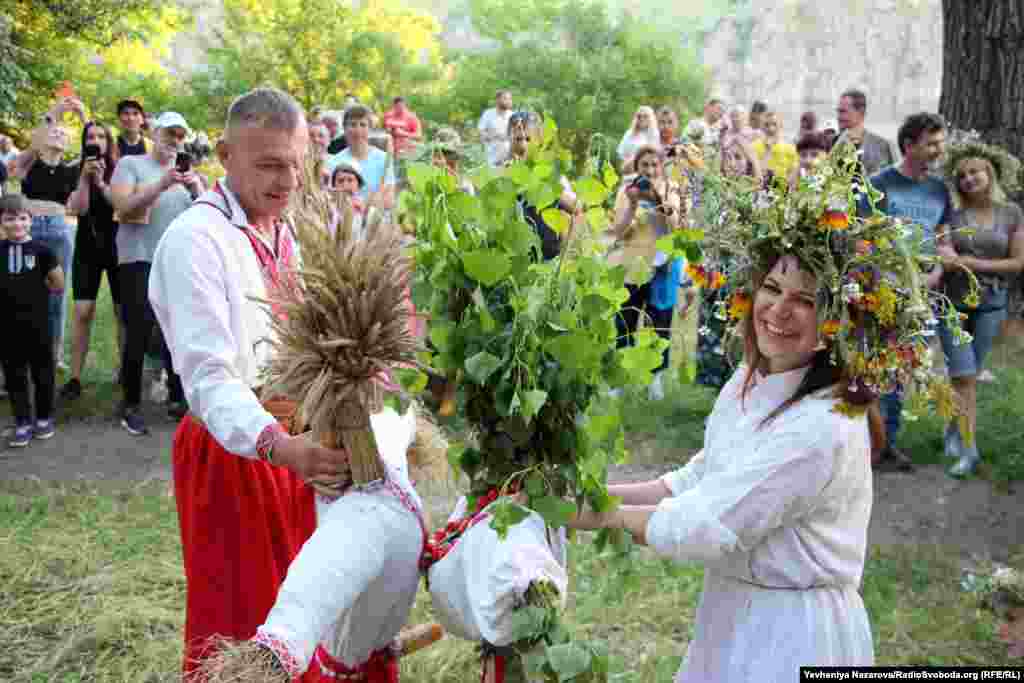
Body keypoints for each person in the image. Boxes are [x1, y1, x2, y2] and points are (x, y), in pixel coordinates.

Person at [566, 147, 969, 678]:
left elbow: (706, 524)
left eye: (805, 300)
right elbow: (702, 478)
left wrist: (577, 514)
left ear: (836, 319)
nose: (779, 310)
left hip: (791, 633)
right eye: (772, 288)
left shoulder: (821, 426)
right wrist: (584, 496)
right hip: (736, 611)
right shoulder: (753, 378)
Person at [149, 87, 350, 679]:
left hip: (292, 451)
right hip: (231, 456)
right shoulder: (195, 240)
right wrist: (282, 446)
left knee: (294, 611)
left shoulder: (287, 231)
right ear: (224, 153)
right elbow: (210, 378)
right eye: (268, 165)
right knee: (239, 626)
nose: (286, 179)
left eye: (296, 163)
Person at [866, 112, 951, 472]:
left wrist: (937, 272)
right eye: (931, 143)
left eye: (940, 141)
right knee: (872, 368)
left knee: (902, 370)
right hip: (883, 291)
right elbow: (864, 239)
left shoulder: (939, 190)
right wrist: (884, 278)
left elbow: (944, 239)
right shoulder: (880, 183)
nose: (938, 149)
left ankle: (888, 445)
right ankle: (865, 445)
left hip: (922, 296)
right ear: (909, 145)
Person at [937, 141, 1024, 478]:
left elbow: (1018, 263)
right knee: (964, 375)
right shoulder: (952, 214)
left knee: (967, 374)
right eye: (962, 175)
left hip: (992, 305)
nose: (968, 179)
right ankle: (969, 450)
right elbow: (944, 251)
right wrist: (947, 255)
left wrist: (970, 261)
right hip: (952, 305)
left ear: (990, 172)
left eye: (974, 172)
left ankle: (951, 430)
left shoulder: (1012, 213)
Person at [110, 111, 200, 435]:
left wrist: (197, 187)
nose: (174, 141)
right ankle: (130, 404)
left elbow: (204, 217)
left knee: (175, 331)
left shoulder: (186, 175)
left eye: (179, 136)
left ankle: (178, 399)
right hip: (138, 258)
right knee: (138, 329)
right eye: (168, 134)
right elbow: (122, 207)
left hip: (175, 262)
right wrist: (163, 183)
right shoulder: (131, 165)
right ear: (154, 133)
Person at [10, 96, 85, 370]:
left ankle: (53, 355)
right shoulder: (29, 163)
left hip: (59, 232)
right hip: (27, 230)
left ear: (67, 144)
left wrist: (84, 117)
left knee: (56, 293)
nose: (57, 133)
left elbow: (93, 149)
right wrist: (55, 112)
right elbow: (36, 139)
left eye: (63, 133)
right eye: (53, 131)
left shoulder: (71, 171)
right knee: (21, 291)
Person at [608, 145, 687, 400]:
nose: (650, 170)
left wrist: (656, 200)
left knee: (659, 325)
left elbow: (674, 227)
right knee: (625, 322)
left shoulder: (671, 188)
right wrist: (632, 205)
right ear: (637, 167)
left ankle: (655, 379)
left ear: (661, 166)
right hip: (632, 265)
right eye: (645, 165)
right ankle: (619, 380)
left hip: (662, 266)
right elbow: (619, 231)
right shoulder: (626, 191)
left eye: (655, 164)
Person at [60, 121, 123, 401]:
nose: (96, 141)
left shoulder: (121, 169)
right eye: (90, 136)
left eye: (101, 136)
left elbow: (122, 206)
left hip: (119, 246)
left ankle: (124, 371)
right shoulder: (75, 170)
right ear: (84, 141)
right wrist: (85, 179)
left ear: (109, 142)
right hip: (87, 246)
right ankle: (74, 377)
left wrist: (101, 181)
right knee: (82, 311)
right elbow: (77, 209)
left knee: (123, 312)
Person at [0, 194, 64, 447]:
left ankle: (44, 418)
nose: (17, 224)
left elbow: (57, 283)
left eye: (22, 218)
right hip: (6, 326)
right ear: (2, 221)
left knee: (43, 372)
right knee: (14, 374)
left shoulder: (43, 251)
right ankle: (22, 422)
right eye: (10, 219)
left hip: (37, 324)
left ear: (31, 220)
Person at [506, 111, 580, 262]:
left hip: (548, 258)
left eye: (528, 139)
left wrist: (545, 181)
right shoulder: (504, 173)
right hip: (515, 260)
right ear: (509, 138)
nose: (523, 144)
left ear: (539, 140)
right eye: (518, 138)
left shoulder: (550, 173)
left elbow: (576, 206)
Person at [325, 106, 395, 210]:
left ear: (370, 129)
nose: (358, 130)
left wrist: (361, 203)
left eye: (363, 125)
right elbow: (330, 198)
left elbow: (388, 199)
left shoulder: (383, 159)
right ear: (344, 128)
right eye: (353, 125)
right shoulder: (333, 162)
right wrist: (372, 199)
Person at [835, 89, 898, 177]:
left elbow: (895, 179)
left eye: (843, 112)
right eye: (838, 111)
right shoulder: (832, 144)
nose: (838, 117)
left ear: (860, 112)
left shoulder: (883, 145)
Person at [751, 111, 798, 184]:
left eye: (774, 124)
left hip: (782, 191)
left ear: (781, 125)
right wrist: (768, 151)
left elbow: (793, 175)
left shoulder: (790, 148)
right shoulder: (754, 147)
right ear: (761, 127)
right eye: (766, 125)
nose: (771, 129)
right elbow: (754, 174)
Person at [720, 106, 762, 181]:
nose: (735, 119)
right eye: (733, 116)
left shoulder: (753, 134)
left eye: (738, 116)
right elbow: (723, 153)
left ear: (745, 118)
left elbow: (754, 157)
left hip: (746, 170)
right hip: (728, 170)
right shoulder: (725, 134)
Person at [617, 105, 661, 171]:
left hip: (646, 170)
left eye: (645, 116)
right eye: (639, 116)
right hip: (628, 169)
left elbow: (652, 152)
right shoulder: (629, 133)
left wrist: (633, 160)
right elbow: (621, 153)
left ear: (651, 118)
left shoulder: (654, 133)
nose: (642, 118)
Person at [478, 90, 514, 167]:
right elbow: (481, 134)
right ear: (497, 100)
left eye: (510, 99)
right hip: (493, 159)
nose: (508, 101)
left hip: (510, 158)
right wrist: (494, 136)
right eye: (505, 98)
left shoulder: (513, 115)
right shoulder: (487, 114)